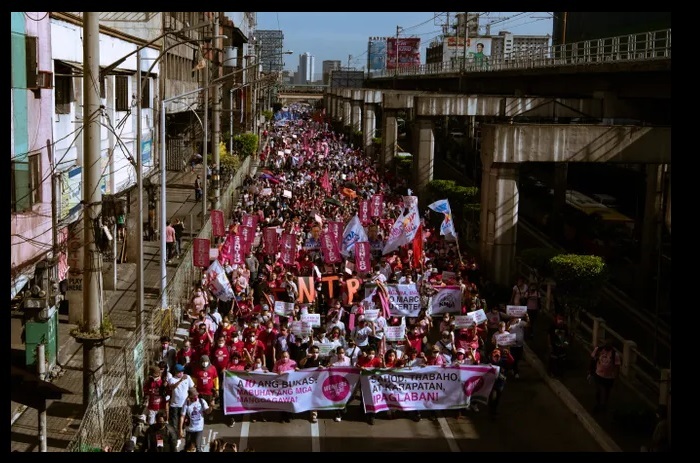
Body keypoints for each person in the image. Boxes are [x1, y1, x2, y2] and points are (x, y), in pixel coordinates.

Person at [589, 342, 621, 412]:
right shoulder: (598, 350)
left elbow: (617, 367)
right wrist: (591, 372)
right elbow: (592, 360)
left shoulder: (614, 354)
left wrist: (616, 379)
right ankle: (601, 405)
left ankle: (603, 405)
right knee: (600, 390)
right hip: (599, 375)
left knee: (606, 392)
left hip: (609, 377)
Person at [298, 345, 324, 423]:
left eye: (316, 352)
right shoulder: (307, 359)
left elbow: (326, 368)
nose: (315, 354)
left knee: (314, 397)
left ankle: (313, 414)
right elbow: (301, 364)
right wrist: (306, 357)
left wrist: (322, 368)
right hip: (307, 382)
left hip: (317, 382)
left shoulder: (321, 359)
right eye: (313, 352)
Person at [180, 387, 211, 452]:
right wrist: (180, 429)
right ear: (190, 396)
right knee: (188, 448)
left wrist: (211, 407)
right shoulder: (186, 403)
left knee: (198, 448)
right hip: (189, 429)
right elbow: (182, 416)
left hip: (198, 429)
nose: (196, 396)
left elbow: (207, 412)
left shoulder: (201, 401)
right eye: (194, 396)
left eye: (197, 395)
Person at [166, 364, 195, 433]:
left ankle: (182, 431)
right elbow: (172, 387)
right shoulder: (172, 379)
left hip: (185, 404)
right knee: (174, 422)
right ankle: (175, 435)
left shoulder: (187, 377)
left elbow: (192, 388)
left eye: (182, 371)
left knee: (184, 420)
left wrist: (191, 397)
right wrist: (180, 380)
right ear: (175, 372)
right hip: (175, 405)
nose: (181, 373)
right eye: (179, 372)